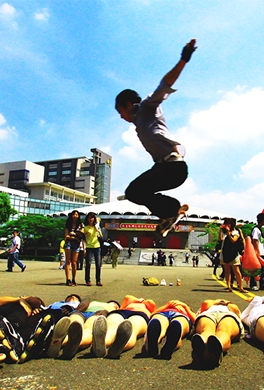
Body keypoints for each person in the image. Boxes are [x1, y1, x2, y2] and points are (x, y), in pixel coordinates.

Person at [116, 39, 196, 235]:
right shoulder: (137, 122)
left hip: (173, 168)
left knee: (134, 192)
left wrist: (183, 60)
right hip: (162, 167)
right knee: (133, 192)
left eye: (120, 111)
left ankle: (172, 209)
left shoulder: (147, 107)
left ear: (127, 104)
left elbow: (164, 85)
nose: (121, 117)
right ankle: (169, 214)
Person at [191, 298, 244, 368]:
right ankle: (204, 346)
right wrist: (218, 301)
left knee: (224, 329)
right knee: (207, 328)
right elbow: (206, 303)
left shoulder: (230, 306)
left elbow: (234, 309)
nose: (222, 300)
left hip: (228, 314)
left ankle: (215, 349)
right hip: (209, 314)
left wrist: (228, 303)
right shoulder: (210, 306)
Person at [219, 218, 247, 293]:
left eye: (228, 224)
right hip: (225, 253)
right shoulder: (224, 233)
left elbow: (233, 240)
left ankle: (240, 287)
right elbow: (220, 239)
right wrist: (220, 231)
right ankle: (228, 286)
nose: (226, 225)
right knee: (227, 271)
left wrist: (228, 232)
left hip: (233, 254)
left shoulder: (235, 232)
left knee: (236, 271)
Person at [250, 213, 264, 291]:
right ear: (263, 220)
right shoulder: (255, 229)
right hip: (258, 252)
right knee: (255, 269)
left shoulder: (260, 229)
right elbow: (255, 240)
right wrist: (257, 251)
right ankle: (253, 284)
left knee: (263, 269)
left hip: (262, 252)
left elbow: (260, 240)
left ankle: (263, 284)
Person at [63, 210, 84, 286]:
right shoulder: (68, 224)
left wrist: (73, 234)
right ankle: (68, 279)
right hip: (68, 243)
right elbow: (66, 236)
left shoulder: (81, 225)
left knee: (74, 262)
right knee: (68, 261)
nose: (75, 216)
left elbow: (81, 236)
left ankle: (74, 279)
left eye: (76, 214)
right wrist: (75, 236)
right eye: (74, 214)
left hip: (76, 244)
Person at [83, 212, 103, 286]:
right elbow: (83, 239)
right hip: (89, 247)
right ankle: (87, 280)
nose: (91, 219)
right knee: (88, 264)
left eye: (92, 218)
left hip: (97, 246)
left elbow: (101, 236)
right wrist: (84, 248)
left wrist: (98, 230)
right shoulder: (85, 228)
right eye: (89, 218)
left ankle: (98, 280)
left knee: (98, 264)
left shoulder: (96, 226)